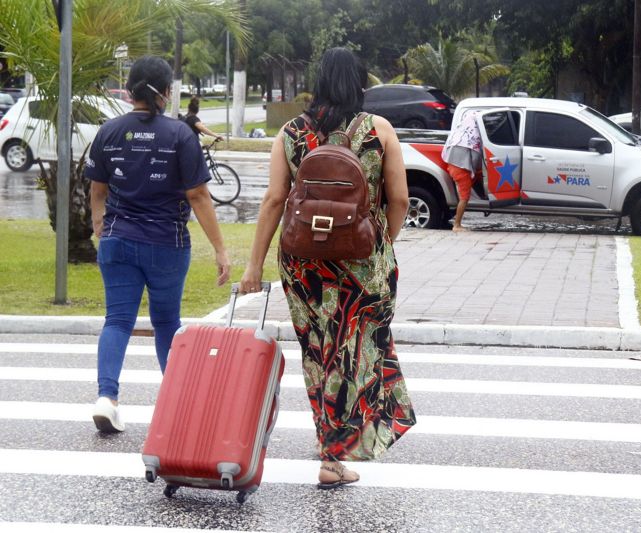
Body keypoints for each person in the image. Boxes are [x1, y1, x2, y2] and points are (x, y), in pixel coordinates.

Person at [240, 47, 416, 489]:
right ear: (359, 83)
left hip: (304, 267)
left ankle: (333, 452)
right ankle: (339, 451)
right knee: (360, 350)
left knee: (320, 353)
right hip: (363, 263)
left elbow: (274, 201)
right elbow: (400, 200)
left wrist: (252, 266)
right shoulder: (380, 131)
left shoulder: (292, 132)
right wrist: (383, 242)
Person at [86, 56, 231, 433]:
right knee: (166, 321)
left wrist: (100, 225)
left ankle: (107, 398)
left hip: (117, 240)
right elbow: (198, 196)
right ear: (166, 92)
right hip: (167, 243)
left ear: (131, 89)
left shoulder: (109, 131)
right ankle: (176, 403)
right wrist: (220, 248)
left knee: (117, 320)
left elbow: (97, 189)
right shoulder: (180, 134)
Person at [442, 110, 482, 231]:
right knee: (464, 198)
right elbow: (475, 159)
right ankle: (457, 225)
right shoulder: (473, 138)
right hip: (462, 169)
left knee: (462, 195)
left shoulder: (458, 134)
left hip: (452, 166)